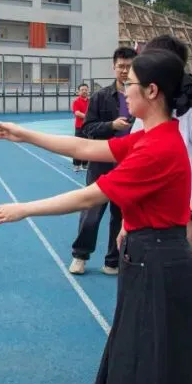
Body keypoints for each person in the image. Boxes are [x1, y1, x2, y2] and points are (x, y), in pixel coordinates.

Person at [0, 48, 192, 384]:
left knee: (149, 367)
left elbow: (89, 196)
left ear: (152, 91)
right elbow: (88, 145)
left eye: (130, 85)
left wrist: (24, 209)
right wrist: (23, 134)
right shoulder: (152, 135)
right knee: (134, 360)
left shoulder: (159, 147)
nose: (125, 91)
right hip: (148, 257)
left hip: (158, 262)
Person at [126, 35, 192, 384]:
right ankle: (152, 380)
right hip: (146, 228)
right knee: (143, 308)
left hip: (187, 227)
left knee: (187, 307)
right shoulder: (143, 114)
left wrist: (190, 215)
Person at [70, 47, 137, 275]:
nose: (125, 71)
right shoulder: (100, 96)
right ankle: (80, 256)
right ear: (114, 67)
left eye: (129, 66)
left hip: (128, 166)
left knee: (120, 216)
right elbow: (87, 128)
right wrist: (111, 126)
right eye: (121, 66)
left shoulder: (140, 97)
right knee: (91, 211)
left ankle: (112, 261)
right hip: (101, 164)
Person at [71, 83, 91, 172]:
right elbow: (77, 113)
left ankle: (85, 164)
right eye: (82, 90)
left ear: (88, 91)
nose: (84, 91)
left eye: (86, 90)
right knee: (78, 146)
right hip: (79, 127)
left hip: (89, 127)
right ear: (78, 92)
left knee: (87, 146)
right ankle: (76, 164)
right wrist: (89, 116)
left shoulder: (91, 101)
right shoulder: (76, 102)